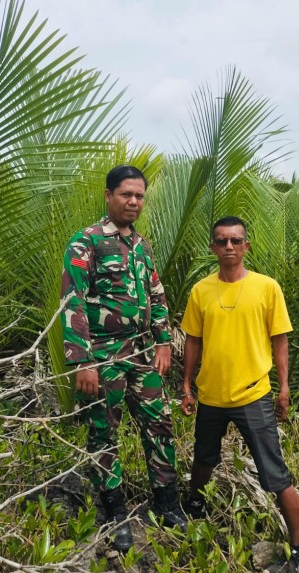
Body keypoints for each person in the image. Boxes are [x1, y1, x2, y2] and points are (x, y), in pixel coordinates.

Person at [60, 165, 186, 552]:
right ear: (108, 196)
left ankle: (166, 504)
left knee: (159, 424)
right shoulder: (87, 242)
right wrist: (82, 360)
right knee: (104, 433)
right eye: (126, 194)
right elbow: (72, 300)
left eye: (139, 196)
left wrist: (164, 342)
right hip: (102, 356)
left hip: (142, 353)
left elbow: (157, 293)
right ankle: (115, 513)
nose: (133, 202)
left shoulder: (141, 245)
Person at [179, 216, 299, 573]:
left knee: (274, 472)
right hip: (211, 394)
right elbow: (193, 340)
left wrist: (283, 388)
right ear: (213, 248)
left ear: (246, 246)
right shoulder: (201, 291)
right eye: (221, 241)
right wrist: (186, 385)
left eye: (236, 241)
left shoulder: (267, 288)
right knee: (203, 457)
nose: (229, 247)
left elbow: (280, 340)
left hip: (253, 394)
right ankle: (195, 506)